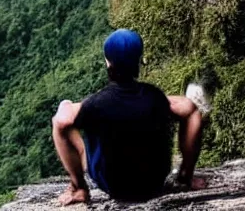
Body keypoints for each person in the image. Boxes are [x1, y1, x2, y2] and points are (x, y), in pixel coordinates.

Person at [52, 29, 208, 206]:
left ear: (107, 62)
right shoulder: (155, 98)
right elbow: (190, 110)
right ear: (139, 60)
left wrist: (70, 106)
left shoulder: (94, 105)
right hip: (153, 182)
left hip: (112, 185)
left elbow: (62, 121)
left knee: (64, 111)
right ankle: (184, 178)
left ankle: (79, 188)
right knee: (187, 108)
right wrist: (185, 175)